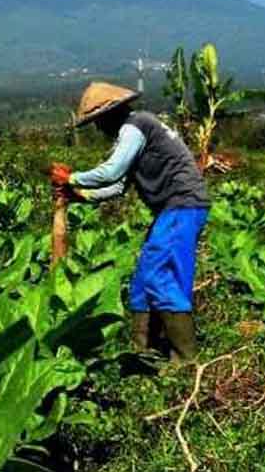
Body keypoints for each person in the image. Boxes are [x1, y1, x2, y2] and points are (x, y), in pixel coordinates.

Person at [52, 82, 210, 362]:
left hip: (182, 205)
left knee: (162, 276)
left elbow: (111, 172)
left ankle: (185, 360)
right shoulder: (134, 133)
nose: (99, 129)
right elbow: (118, 187)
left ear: (110, 115)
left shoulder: (134, 127)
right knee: (142, 280)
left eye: (98, 122)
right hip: (171, 210)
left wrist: (72, 178)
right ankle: (142, 353)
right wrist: (80, 196)